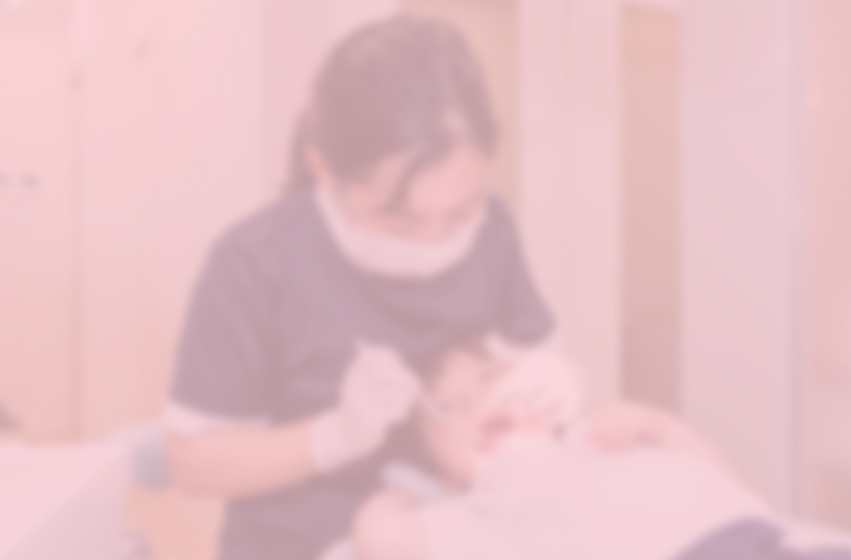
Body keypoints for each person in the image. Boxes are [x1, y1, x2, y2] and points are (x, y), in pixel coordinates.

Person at [165, 16, 582, 560]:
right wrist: (333, 436)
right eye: (400, 221)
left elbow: (532, 362)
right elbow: (193, 463)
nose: (436, 238)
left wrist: (546, 384)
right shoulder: (256, 262)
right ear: (325, 171)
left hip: (459, 537)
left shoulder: (493, 229)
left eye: (460, 210)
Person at [348, 344, 851, 560]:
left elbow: (726, 486)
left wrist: (657, 427)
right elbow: (379, 540)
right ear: (445, 474)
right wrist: (403, 493)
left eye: (490, 375)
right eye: (452, 407)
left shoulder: (602, 441)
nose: (480, 399)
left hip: (757, 542)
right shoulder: (480, 507)